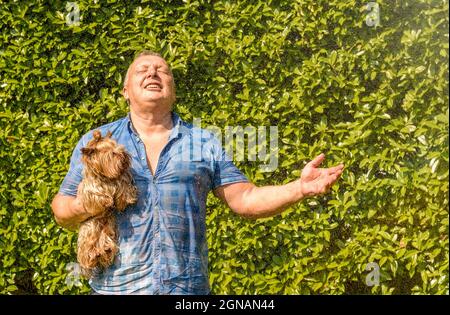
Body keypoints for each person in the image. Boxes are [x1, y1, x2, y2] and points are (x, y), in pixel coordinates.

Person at [51, 50, 344, 295]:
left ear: (173, 89)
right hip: (114, 289)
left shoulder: (202, 142)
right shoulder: (97, 141)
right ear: (125, 90)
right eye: (142, 69)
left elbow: (245, 199)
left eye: (162, 70)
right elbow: (61, 211)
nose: (153, 73)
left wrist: (300, 188)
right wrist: (88, 203)